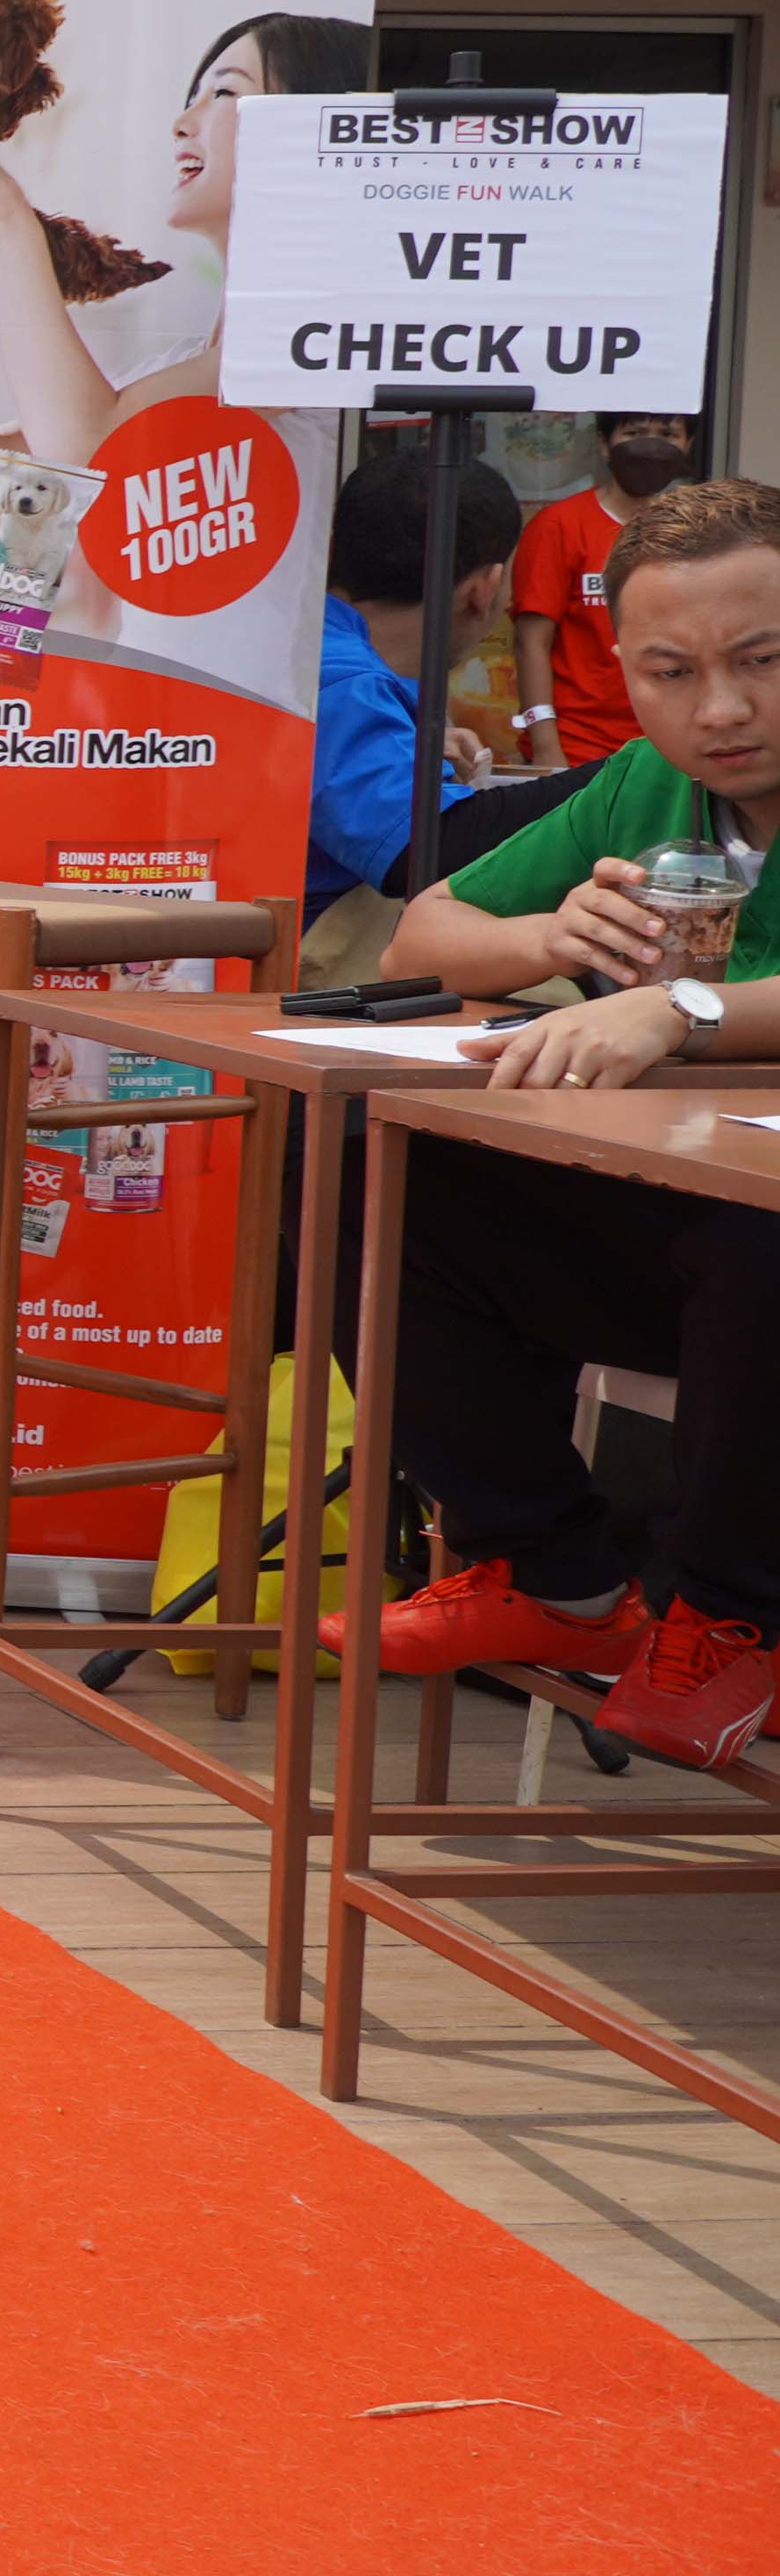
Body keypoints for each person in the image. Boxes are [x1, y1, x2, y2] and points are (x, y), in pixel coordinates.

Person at [371, 474, 780, 1769]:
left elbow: (687, 1017)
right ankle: (554, 1573)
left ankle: (736, 1622)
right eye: (672, 672)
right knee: (379, 1164)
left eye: (763, 661)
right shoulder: (641, 787)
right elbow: (421, 934)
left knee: (760, 1227)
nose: (721, 709)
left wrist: (683, 1010)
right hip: (688, 1254)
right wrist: (551, 936)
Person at [0, 10, 369, 680]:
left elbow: (93, 454)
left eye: (225, 92)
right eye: (192, 96)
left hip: (241, 731)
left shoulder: (320, 335)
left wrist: (4, 223)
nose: (182, 123)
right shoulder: (182, 367)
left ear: (319, 131)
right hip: (144, 726)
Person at [304, 442, 519, 926]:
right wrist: (619, 782)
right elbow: (423, 846)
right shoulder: (342, 680)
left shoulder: (312, 646)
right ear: (484, 589)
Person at [510, 414, 695, 773]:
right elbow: (531, 642)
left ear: (688, 445)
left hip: (667, 749)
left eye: (668, 434)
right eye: (635, 432)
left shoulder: (692, 531)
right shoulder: (560, 525)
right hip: (578, 748)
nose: (651, 445)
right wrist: (546, 749)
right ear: (604, 443)